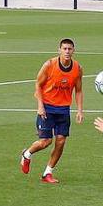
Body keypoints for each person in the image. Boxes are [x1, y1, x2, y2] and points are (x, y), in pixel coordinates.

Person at [19, 38, 84, 184]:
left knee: (60, 142)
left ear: (74, 50)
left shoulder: (77, 68)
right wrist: (40, 106)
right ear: (59, 50)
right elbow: (38, 84)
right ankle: (27, 154)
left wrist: (80, 110)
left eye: (70, 49)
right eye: (64, 49)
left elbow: (78, 91)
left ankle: (47, 173)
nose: (67, 51)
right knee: (45, 141)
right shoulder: (49, 65)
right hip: (47, 107)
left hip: (63, 109)